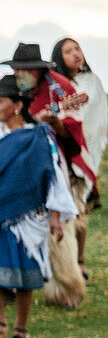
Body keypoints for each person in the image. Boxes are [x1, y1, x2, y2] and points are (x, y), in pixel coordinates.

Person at [0, 75, 78, 338]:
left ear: (17, 106)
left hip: (26, 214)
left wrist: (56, 216)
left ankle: (21, 327)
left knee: (25, 270)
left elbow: (53, 176)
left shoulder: (38, 138)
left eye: (0, 101)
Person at [0, 43, 95, 307]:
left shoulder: (62, 89)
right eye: (16, 68)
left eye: (26, 69)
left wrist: (55, 123)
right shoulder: (5, 86)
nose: (20, 72)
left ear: (39, 69)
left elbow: (73, 138)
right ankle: (7, 283)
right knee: (10, 223)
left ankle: (67, 288)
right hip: (10, 166)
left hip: (54, 163)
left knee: (59, 227)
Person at [52, 37, 106, 276]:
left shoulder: (91, 82)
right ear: (58, 58)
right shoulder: (56, 84)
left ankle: (80, 259)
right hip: (59, 145)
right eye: (68, 51)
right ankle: (60, 260)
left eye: (77, 49)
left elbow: (92, 115)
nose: (75, 54)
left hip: (82, 149)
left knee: (78, 205)